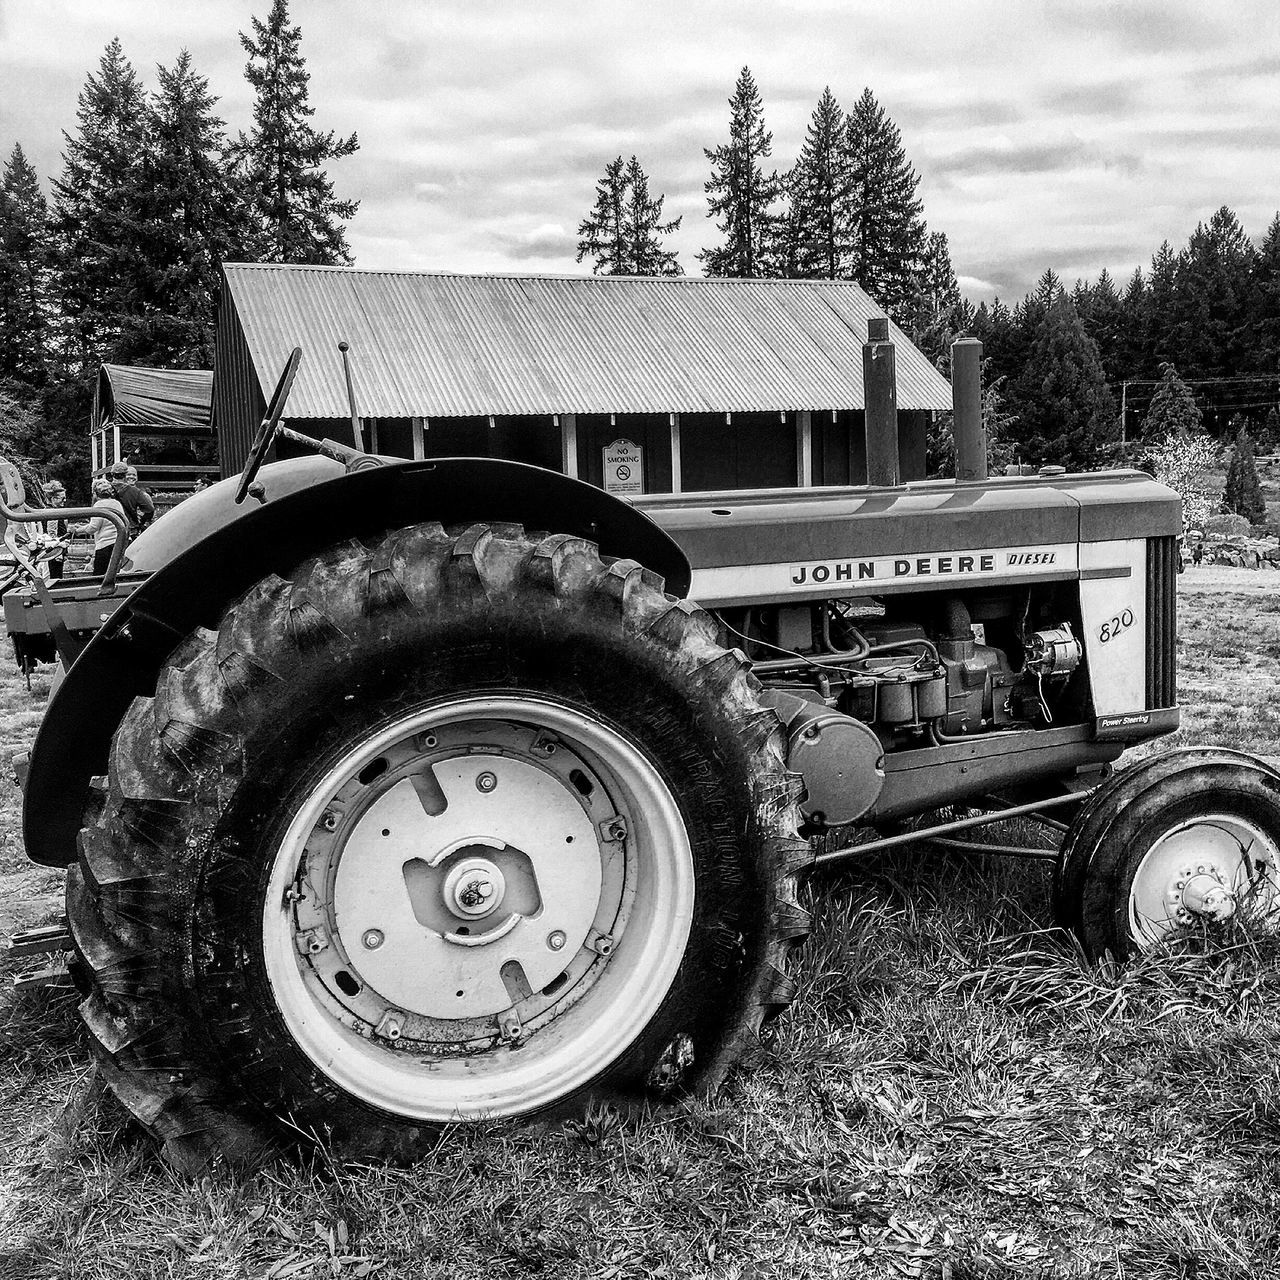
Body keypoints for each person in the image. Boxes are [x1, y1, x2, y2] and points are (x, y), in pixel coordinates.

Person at [83, 478, 127, 575]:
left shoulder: (99, 505)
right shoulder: (116, 503)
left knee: (99, 575)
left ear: (95, 493)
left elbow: (93, 528)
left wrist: (79, 529)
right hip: (118, 543)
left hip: (105, 545)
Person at [109, 460, 155, 534]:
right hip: (130, 529)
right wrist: (141, 521)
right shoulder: (135, 491)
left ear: (111, 474)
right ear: (125, 474)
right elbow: (149, 509)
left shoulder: (104, 489)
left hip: (109, 529)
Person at [41, 479, 68, 579]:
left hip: (53, 548)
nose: (64, 500)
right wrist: (58, 552)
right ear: (53, 499)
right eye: (62, 498)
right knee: (55, 576)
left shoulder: (47, 511)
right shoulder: (53, 513)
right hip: (55, 549)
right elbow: (52, 534)